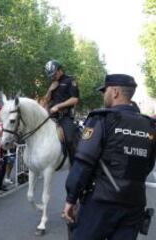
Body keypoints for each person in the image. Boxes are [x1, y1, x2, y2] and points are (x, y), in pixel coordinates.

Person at [63, 74, 156, 240]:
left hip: (101, 203)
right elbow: (148, 165)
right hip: (134, 205)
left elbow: (84, 162)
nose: (103, 95)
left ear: (114, 92)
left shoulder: (102, 119)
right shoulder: (149, 125)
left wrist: (71, 198)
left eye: (104, 91)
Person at [43, 60, 80, 161]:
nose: (52, 77)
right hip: (51, 116)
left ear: (59, 70)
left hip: (64, 117)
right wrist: (50, 90)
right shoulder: (53, 83)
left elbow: (75, 99)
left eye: (53, 74)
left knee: (70, 139)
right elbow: (45, 101)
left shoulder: (70, 80)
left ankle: (75, 164)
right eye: (50, 76)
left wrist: (58, 106)